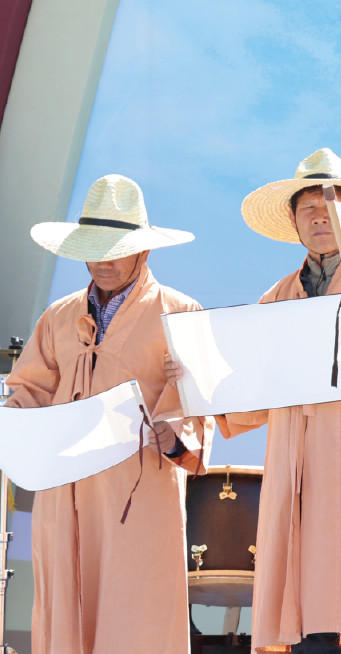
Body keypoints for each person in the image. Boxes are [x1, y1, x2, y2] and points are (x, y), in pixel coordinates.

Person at [171, 149, 341, 653]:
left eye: (332, 207)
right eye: (309, 210)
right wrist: (199, 379)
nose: (320, 218)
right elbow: (253, 392)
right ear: (295, 222)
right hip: (302, 468)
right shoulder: (278, 297)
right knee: (307, 615)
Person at [4, 175, 212, 654]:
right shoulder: (58, 315)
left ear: (144, 251)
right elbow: (29, 389)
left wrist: (174, 436)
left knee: (136, 611)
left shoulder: (180, 312)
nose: (102, 261)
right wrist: (13, 425)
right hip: (63, 493)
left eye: (115, 250)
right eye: (93, 249)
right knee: (63, 607)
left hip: (137, 491)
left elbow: (196, 402)